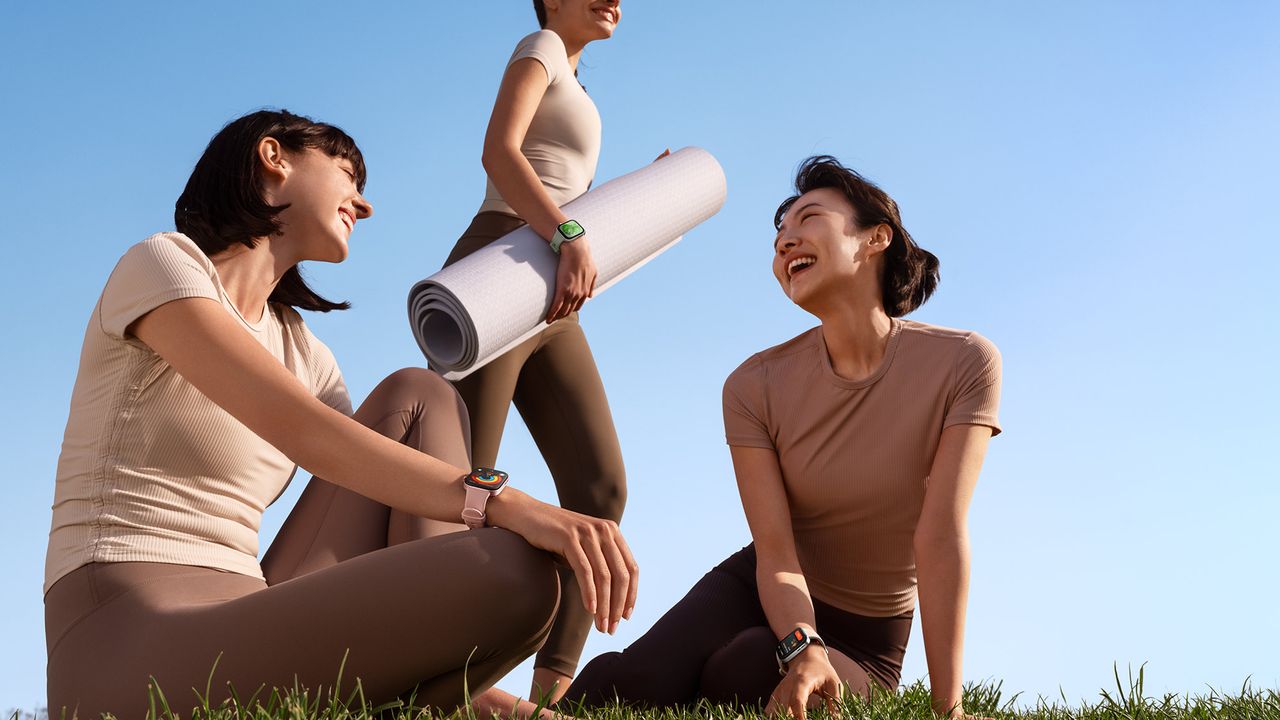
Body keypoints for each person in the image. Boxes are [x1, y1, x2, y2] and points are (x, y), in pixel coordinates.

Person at [42, 109, 637, 720]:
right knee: (517, 573)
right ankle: (453, 699)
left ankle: (455, 695)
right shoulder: (164, 266)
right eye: (349, 174)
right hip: (125, 632)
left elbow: (377, 482)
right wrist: (509, 504)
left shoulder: (305, 352)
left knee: (420, 396)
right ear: (274, 157)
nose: (366, 204)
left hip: (251, 615)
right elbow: (308, 433)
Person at [563, 156, 1002, 719]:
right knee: (632, 681)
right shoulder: (753, 385)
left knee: (745, 667)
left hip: (867, 638)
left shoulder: (963, 362)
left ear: (876, 238)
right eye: (778, 236)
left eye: (808, 219)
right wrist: (804, 645)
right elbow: (774, 551)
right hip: (759, 584)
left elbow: (939, 536)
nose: (785, 242)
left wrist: (949, 709)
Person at [441, 0, 656, 703]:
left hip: (551, 293)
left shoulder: (580, 86)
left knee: (601, 488)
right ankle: (440, 678)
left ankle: (550, 696)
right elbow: (499, 152)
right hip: (498, 270)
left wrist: (642, 194)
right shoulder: (538, 45)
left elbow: (563, 186)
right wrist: (566, 234)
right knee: (463, 485)